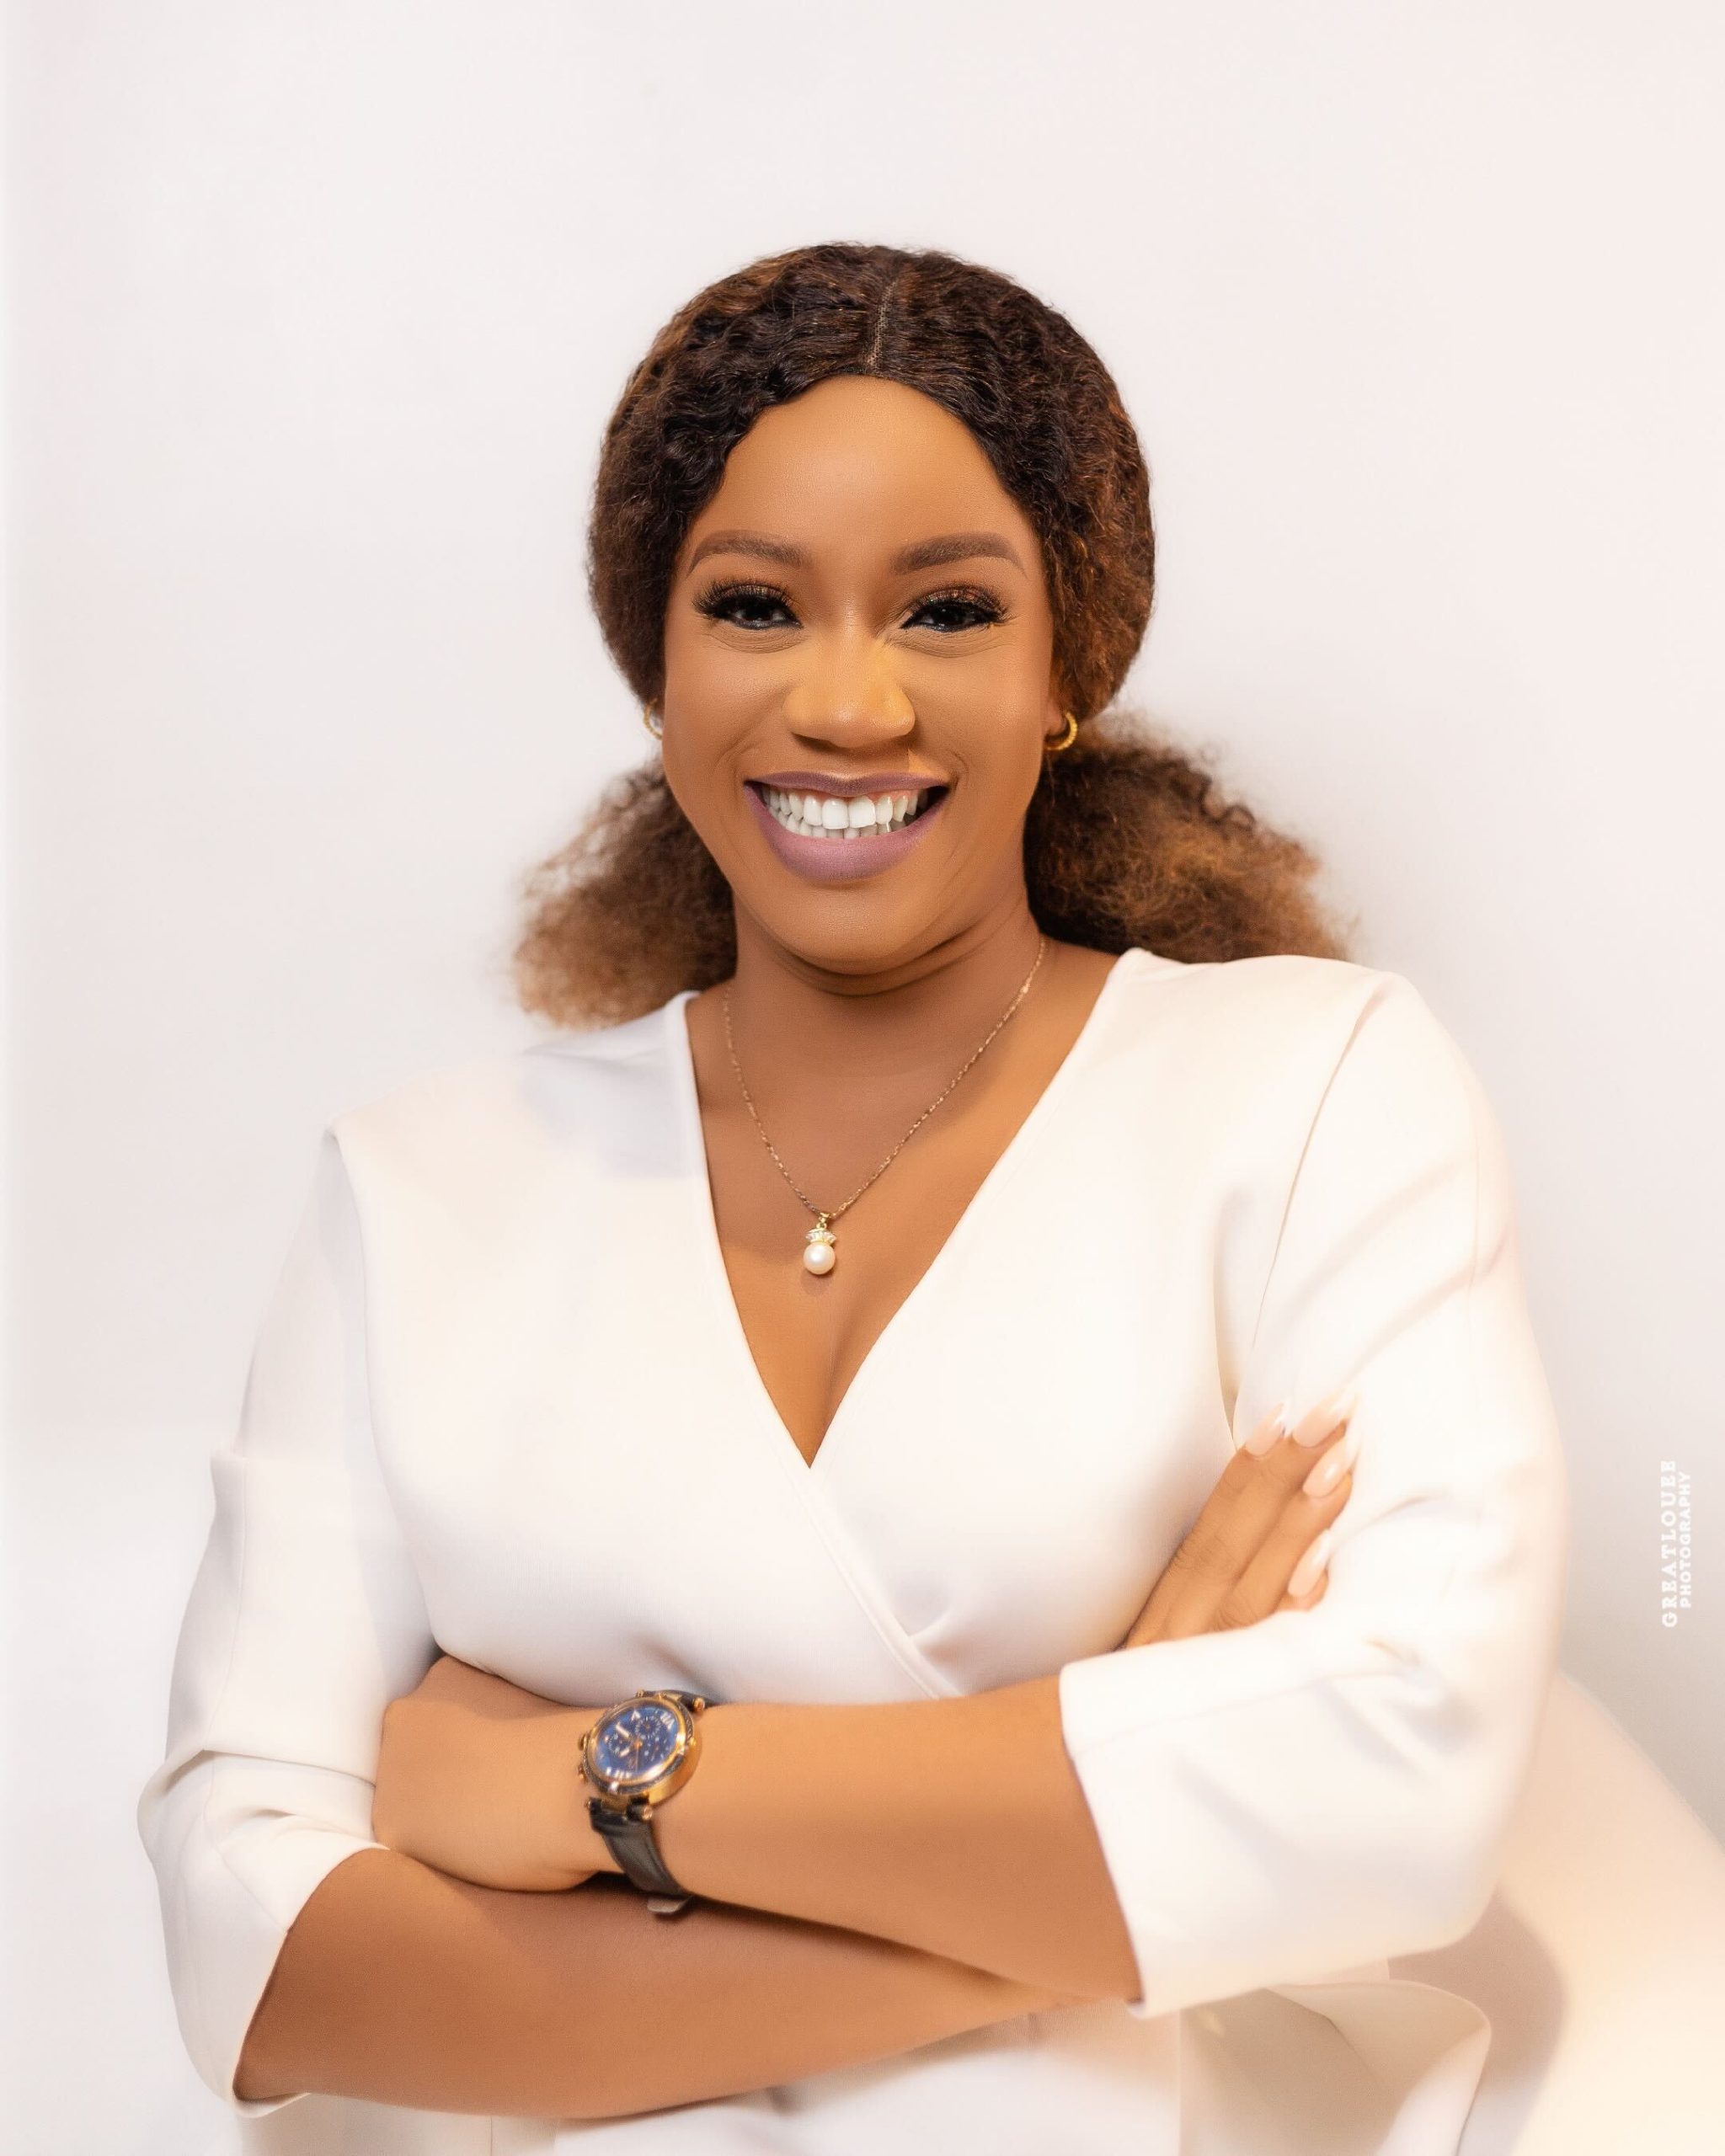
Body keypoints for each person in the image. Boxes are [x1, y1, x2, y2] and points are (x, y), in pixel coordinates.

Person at [136, 241, 1568, 2153]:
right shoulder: (414, 1190)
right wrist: (1118, 1784)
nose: (845, 699)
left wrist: (591, 1786)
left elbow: (1403, 1790)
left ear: (1068, 670)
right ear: (658, 668)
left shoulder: (1312, 1090)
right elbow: (256, 1954)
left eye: (948, 610)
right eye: (753, 604)